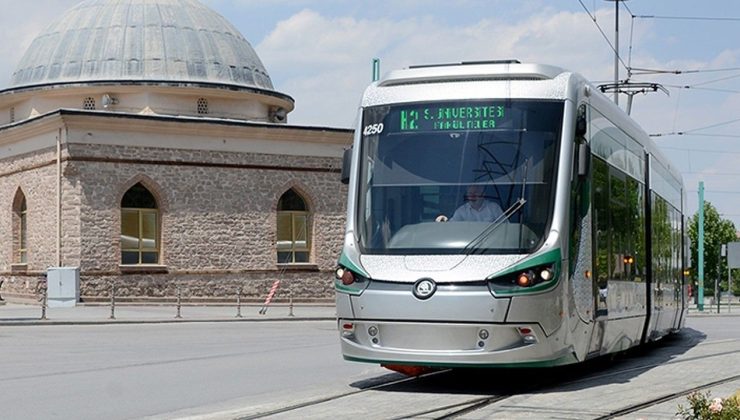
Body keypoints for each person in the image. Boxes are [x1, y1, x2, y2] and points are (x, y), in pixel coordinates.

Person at [436, 184, 504, 222]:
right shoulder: (461, 211)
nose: (472, 196)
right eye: (470, 194)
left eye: (475, 193)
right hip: (468, 245)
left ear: (483, 194)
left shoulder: (494, 208)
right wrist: (443, 220)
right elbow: (452, 227)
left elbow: (505, 227)